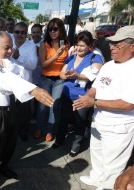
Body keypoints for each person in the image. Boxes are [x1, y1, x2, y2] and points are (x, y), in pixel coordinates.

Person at [0, 31, 53, 190]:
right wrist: (33, 90)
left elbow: (22, 73)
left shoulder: (10, 60)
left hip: (11, 107)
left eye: (11, 48)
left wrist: (21, 73)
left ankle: (4, 166)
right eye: (6, 48)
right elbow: (4, 80)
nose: (10, 51)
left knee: (10, 141)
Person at [73, 25, 134, 190]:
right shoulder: (109, 65)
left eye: (117, 45)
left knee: (113, 162)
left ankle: (107, 186)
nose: (111, 47)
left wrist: (94, 103)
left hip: (119, 125)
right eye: (111, 44)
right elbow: (96, 86)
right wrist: (88, 96)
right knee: (97, 152)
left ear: (132, 47)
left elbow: (129, 103)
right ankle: (97, 178)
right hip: (100, 120)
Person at [52, 31, 104, 157]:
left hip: (82, 97)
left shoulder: (94, 57)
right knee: (63, 119)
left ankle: (76, 146)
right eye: (77, 45)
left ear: (90, 45)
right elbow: (62, 74)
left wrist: (77, 75)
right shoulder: (72, 56)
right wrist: (72, 75)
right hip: (67, 93)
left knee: (79, 123)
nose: (79, 48)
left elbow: (93, 76)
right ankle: (59, 140)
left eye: (82, 45)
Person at [34, 18, 69, 141]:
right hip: (46, 79)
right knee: (43, 106)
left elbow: (68, 62)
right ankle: (39, 127)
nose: (52, 32)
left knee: (55, 106)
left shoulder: (66, 44)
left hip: (59, 79)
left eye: (55, 29)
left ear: (60, 30)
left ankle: (49, 130)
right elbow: (43, 64)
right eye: (50, 29)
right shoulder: (44, 44)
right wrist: (56, 56)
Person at [12, 22, 37, 141]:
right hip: (10, 84)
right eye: (17, 32)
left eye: (23, 32)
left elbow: (33, 65)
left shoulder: (31, 45)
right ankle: (12, 131)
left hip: (25, 84)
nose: (20, 34)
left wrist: (18, 57)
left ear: (26, 34)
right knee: (10, 110)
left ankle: (23, 131)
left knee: (24, 112)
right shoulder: (8, 42)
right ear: (13, 32)